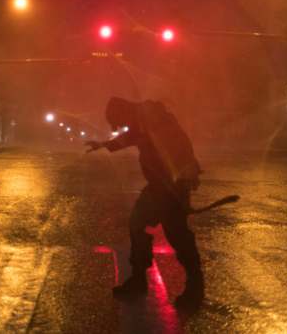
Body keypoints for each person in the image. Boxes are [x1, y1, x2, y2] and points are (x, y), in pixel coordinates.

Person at [85, 97, 205, 308]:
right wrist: (104, 145)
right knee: (139, 224)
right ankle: (140, 279)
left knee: (177, 236)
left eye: (119, 122)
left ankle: (194, 287)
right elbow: (129, 137)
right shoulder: (141, 122)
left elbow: (181, 145)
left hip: (171, 187)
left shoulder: (155, 121)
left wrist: (188, 174)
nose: (120, 127)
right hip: (158, 186)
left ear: (124, 112)